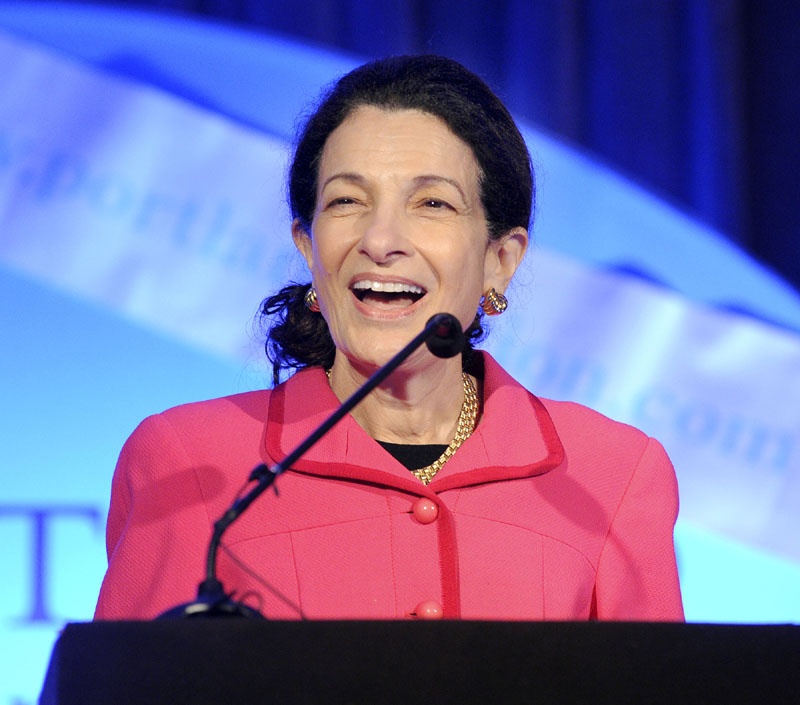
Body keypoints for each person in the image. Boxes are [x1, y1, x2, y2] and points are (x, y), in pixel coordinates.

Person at [95, 55, 683, 621]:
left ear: (500, 259)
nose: (380, 239)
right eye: (348, 200)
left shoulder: (612, 476)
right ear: (307, 244)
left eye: (432, 203)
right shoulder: (190, 464)